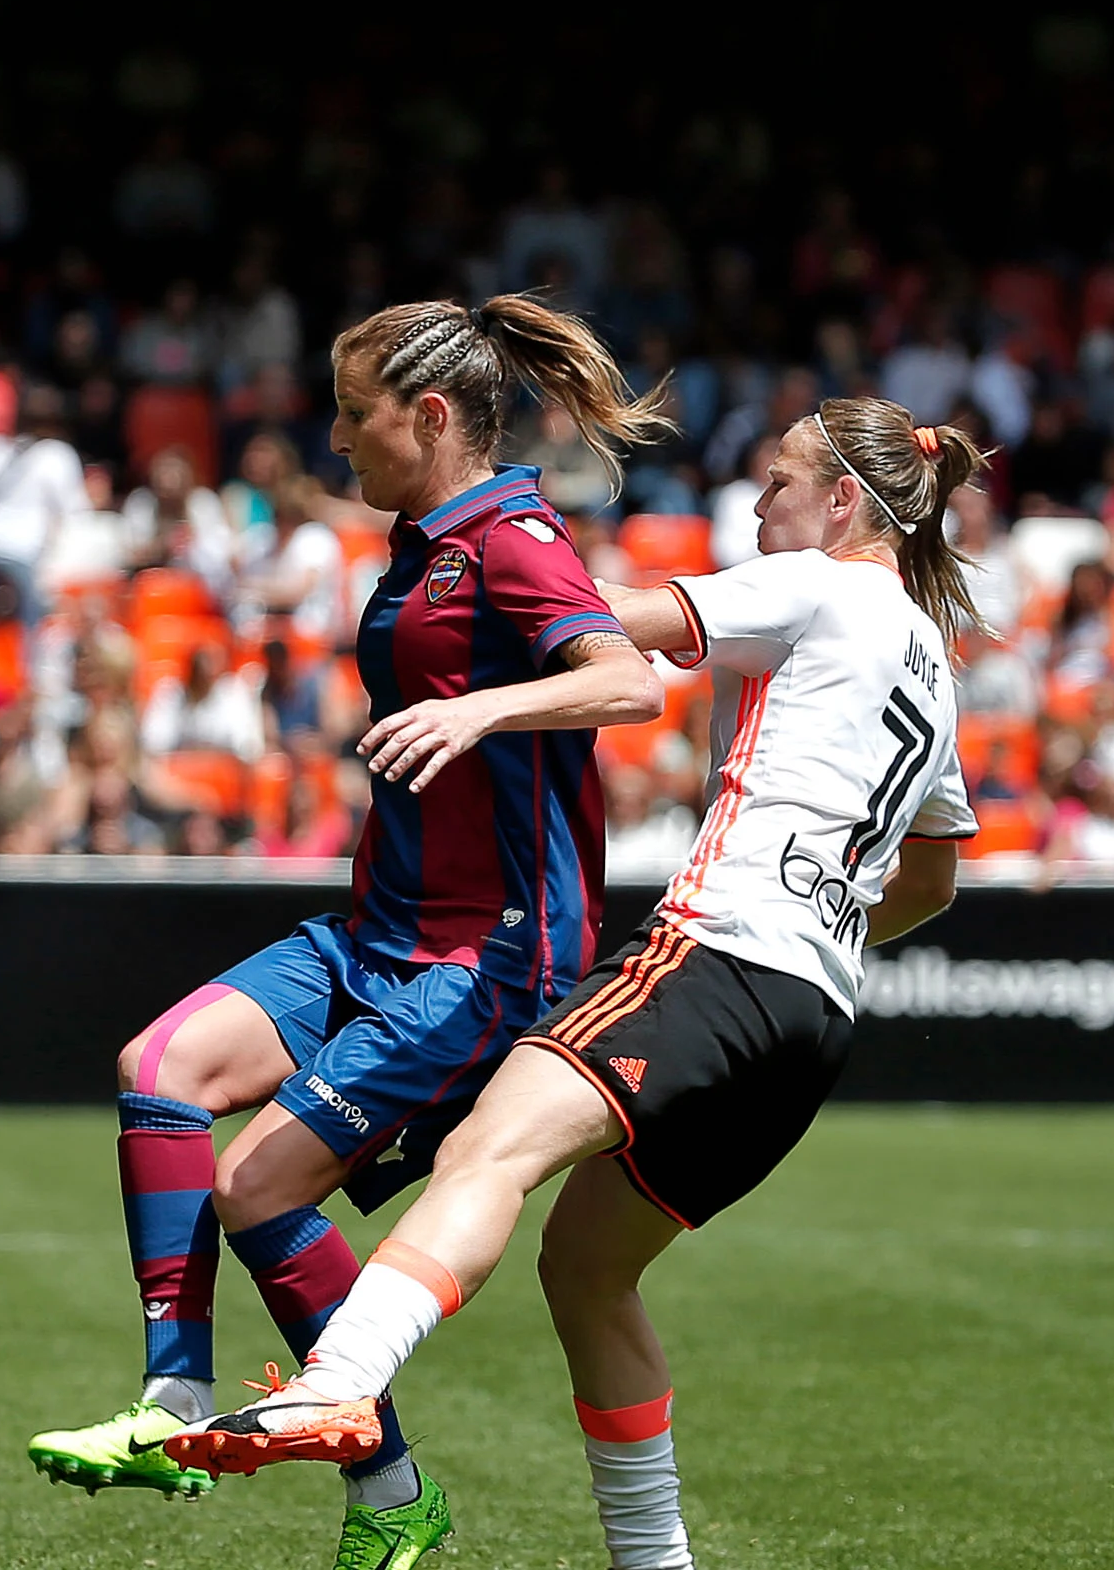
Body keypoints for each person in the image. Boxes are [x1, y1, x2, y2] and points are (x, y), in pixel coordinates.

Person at [162, 401, 984, 1570]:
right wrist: (827, 923)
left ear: (843, 503)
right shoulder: (932, 664)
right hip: (813, 1013)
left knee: (485, 1151)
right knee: (587, 1266)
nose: (756, 507)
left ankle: (335, 1382)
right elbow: (935, 879)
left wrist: (490, 583)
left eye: (777, 482)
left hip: (716, 951)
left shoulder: (817, 585)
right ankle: (656, 1562)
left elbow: (597, 625)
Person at [25, 294, 669, 1570]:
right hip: (378, 927)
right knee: (158, 1072)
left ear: (427, 416)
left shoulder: (514, 537)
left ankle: (389, 1491)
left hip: (489, 952)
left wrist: (485, 712)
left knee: (255, 1183)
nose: (334, 436)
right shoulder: (427, 537)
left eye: (351, 411)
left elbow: (630, 678)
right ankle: (176, 1399)